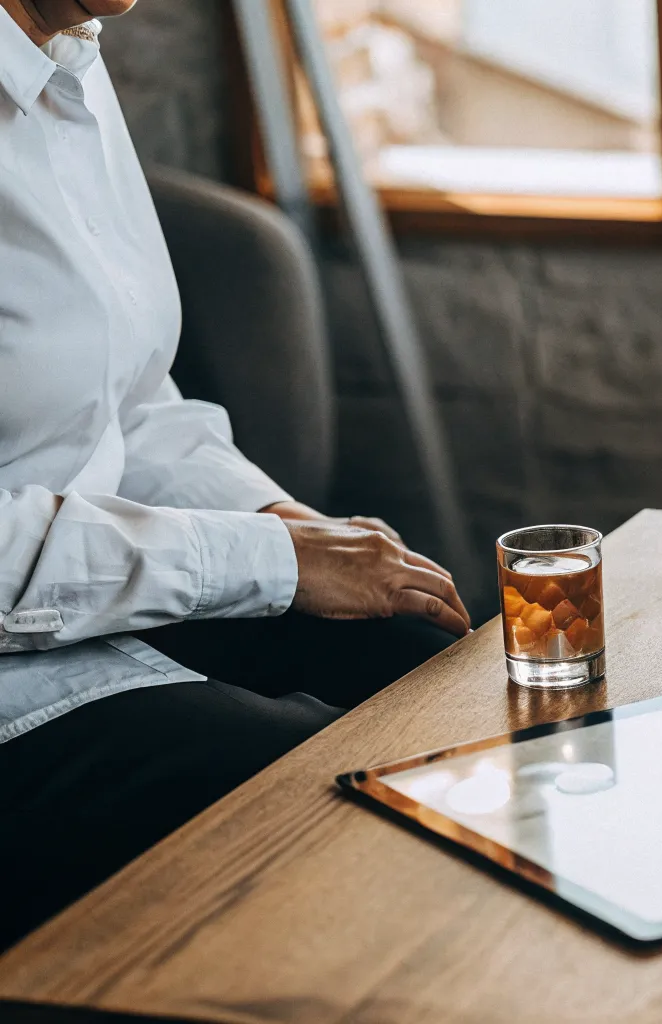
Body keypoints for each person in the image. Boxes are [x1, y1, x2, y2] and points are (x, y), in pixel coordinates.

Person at [0, 0, 471, 948]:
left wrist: (295, 527)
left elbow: (132, 402)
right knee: (314, 806)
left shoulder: (67, 64)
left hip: (97, 588)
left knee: (433, 671)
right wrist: (273, 561)